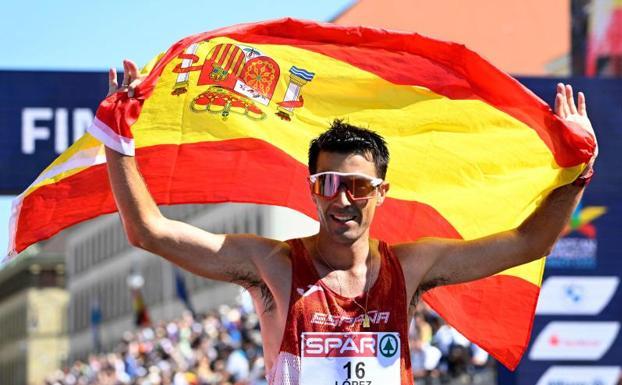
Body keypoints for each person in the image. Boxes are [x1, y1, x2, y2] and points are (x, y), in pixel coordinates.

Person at [105, 60, 597, 385]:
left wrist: (578, 173)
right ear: (310, 189)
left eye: (359, 186)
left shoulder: (414, 265)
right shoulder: (272, 263)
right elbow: (147, 230)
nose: (342, 199)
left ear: (381, 194)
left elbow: (529, 242)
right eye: (327, 183)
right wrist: (118, 140)